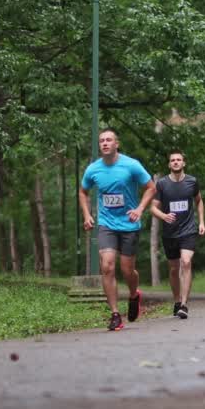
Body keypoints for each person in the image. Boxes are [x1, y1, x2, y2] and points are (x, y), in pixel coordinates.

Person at [79, 128, 157, 331]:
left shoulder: (131, 165)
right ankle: (115, 314)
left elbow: (151, 187)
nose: (105, 143)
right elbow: (83, 191)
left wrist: (140, 209)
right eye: (102, 140)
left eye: (109, 140)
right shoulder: (93, 169)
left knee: (127, 270)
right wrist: (87, 215)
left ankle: (134, 295)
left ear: (116, 144)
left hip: (129, 224)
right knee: (107, 266)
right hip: (106, 224)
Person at [150, 150, 205, 320]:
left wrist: (202, 222)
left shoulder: (192, 182)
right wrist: (164, 216)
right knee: (174, 269)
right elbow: (152, 208)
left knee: (186, 262)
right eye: (172, 160)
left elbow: (199, 201)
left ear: (183, 163)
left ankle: (184, 304)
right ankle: (176, 301)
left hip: (188, 230)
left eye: (178, 160)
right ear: (169, 164)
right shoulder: (162, 184)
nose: (175, 162)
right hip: (169, 233)